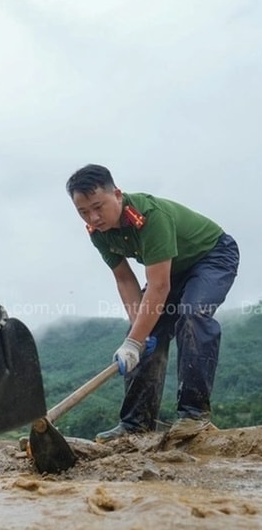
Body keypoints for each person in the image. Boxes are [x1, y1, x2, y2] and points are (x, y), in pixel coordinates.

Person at [66, 164, 239, 443]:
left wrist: (135, 341)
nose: (94, 217)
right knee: (144, 332)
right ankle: (136, 424)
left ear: (117, 195)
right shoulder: (98, 233)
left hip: (211, 257)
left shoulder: (148, 216)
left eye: (98, 207)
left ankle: (194, 416)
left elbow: (159, 286)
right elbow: (124, 279)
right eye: (83, 212)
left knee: (192, 315)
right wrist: (137, 335)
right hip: (170, 269)